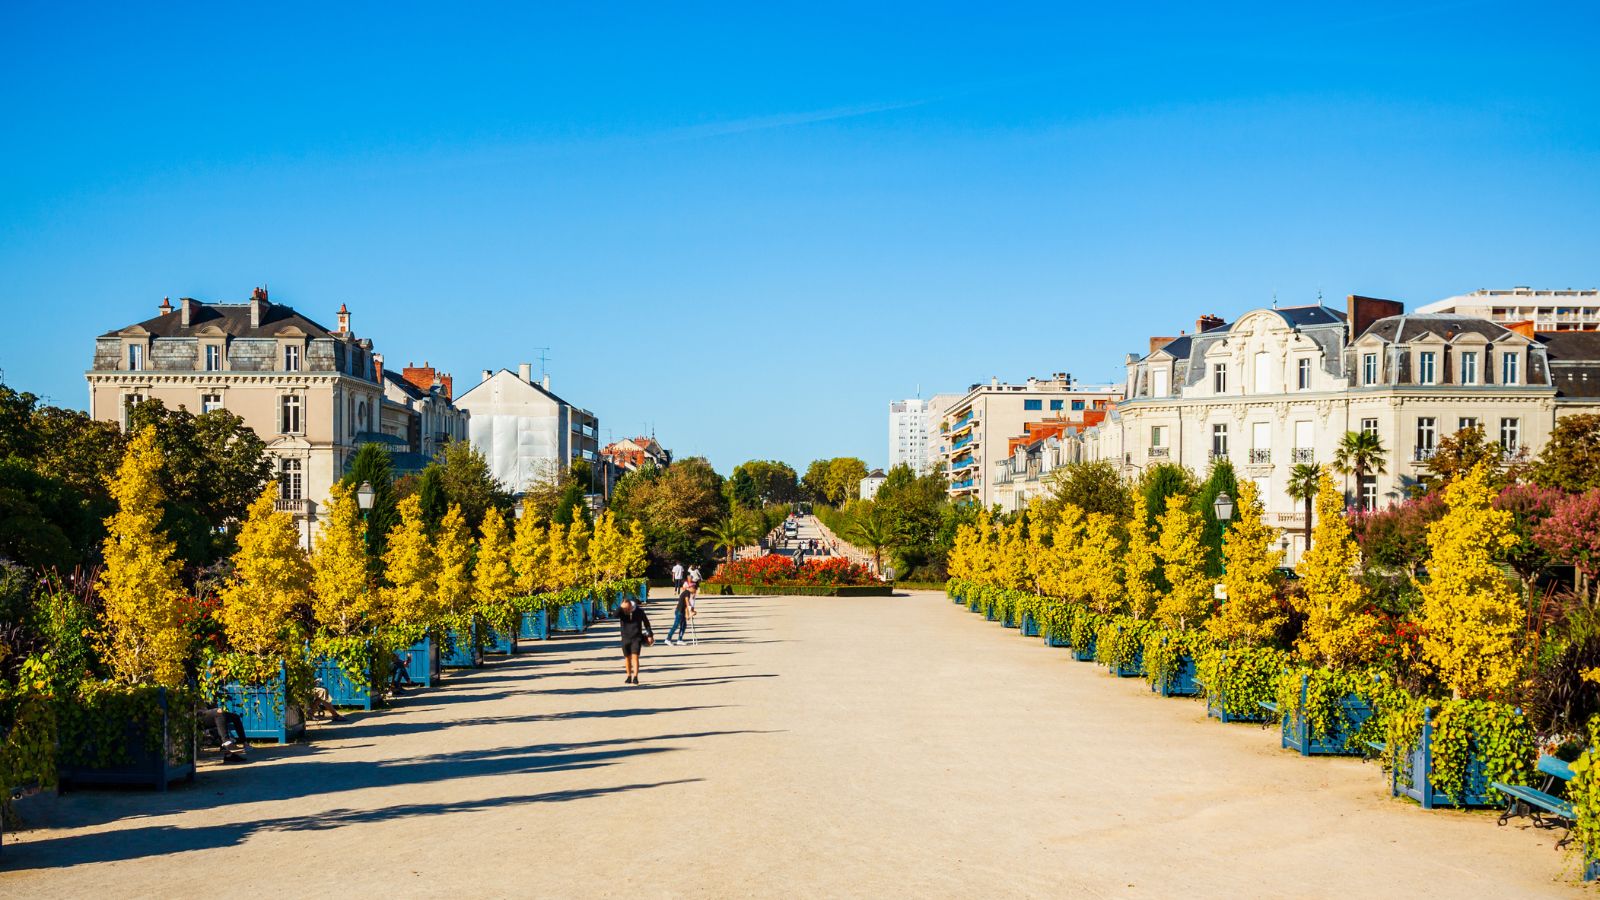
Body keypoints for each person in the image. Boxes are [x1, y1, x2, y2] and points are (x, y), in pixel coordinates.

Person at [617, 596, 653, 685]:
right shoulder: (622, 611)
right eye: (625, 608)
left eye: (627, 608)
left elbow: (646, 623)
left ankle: (635, 677)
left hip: (636, 638)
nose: (626, 610)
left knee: (635, 657)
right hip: (625, 638)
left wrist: (650, 635)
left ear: (631, 606)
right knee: (627, 658)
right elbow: (615, 615)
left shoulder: (639, 611)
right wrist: (621, 607)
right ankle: (629, 676)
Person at [668, 578, 696, 645]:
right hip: (679, 611)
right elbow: (687, 601)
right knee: (676, 625)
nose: (695, 589)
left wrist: (689, 612)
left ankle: (679, 639)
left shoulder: (688, 593)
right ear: (691, 587)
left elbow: (687, 604)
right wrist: (690, 611)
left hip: (682, 611)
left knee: (683, 625)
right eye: (694, 588)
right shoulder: (687, 592)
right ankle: (668, 639)